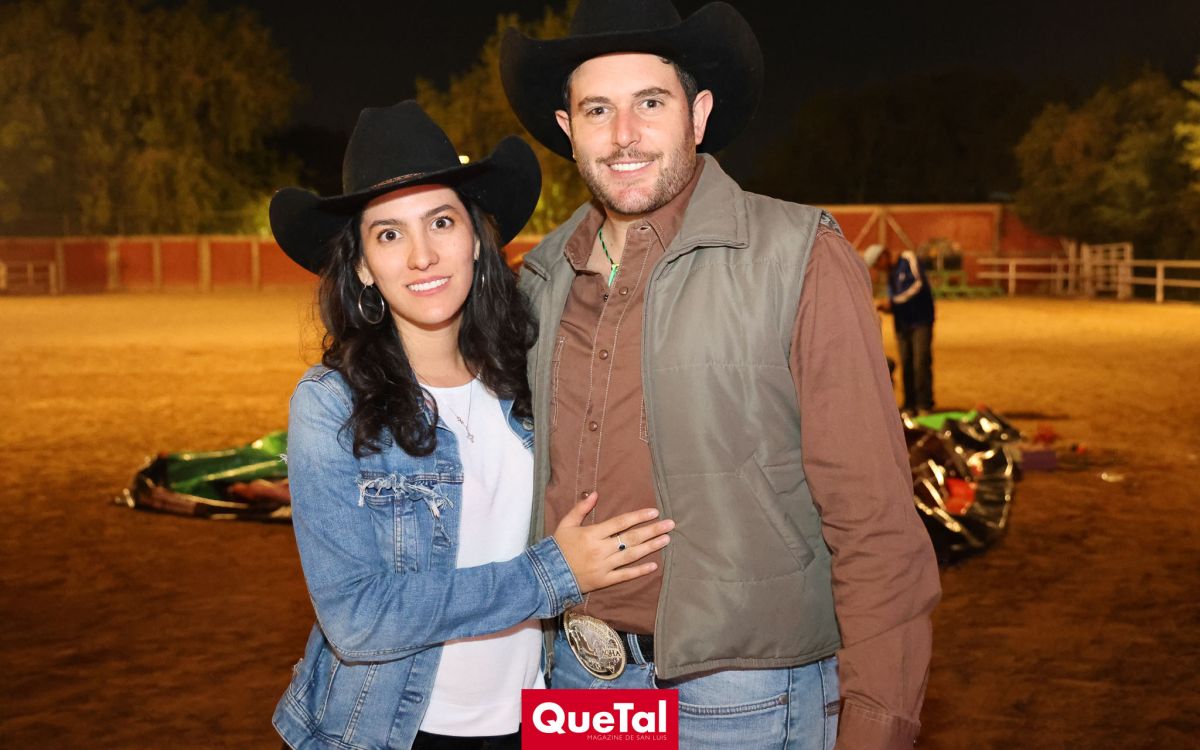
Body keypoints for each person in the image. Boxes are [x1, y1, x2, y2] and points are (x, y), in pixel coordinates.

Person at [500, 2, 940, 748]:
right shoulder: (540, 279)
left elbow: (873, 519)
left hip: (743, 692)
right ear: (568, 128)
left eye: (650, 102)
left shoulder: (797, 255)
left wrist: (876, 724)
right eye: (598, 109)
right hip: (578, 679)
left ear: (698, 115)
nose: (624, 134)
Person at [268, 101, 674, 750]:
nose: (422, 255)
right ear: (363, 265)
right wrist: (550, 575)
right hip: (390, 730)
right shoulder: (330, 404)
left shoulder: (532, 373)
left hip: (538, 719)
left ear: (477, 240)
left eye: (441, 221)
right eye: (389, 235)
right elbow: (356, 619)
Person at [869, 243, 936, 414]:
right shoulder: (890, 275)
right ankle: (909, 404)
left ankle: (924, 405)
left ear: (883, 256)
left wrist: (893, 302)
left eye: (877, 265)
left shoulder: (908, 259)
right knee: (906, 363)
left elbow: (918, 285)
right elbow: (898, 301)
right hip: (902, 324)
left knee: (921, 362)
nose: (878, 269)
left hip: (921, 321)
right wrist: (888, 307)